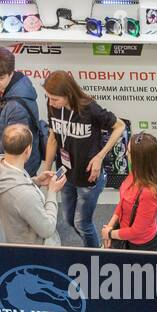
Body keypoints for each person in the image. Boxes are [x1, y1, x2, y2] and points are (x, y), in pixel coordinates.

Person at [42, 70, 124, 247]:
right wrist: (47, 169)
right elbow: (52, 138)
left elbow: (120, 126)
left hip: (88, 178)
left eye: (55, 98)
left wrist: (100, 157)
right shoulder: (53, 107)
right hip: (65, 174)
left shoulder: (89, 108)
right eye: (48, 97)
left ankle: (93, 253)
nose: (50, 102)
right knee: (68, 219)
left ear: (68, 94)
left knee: (82, 223)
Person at [0, 124, 65, 246]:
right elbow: (47, 229)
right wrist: (52, 192)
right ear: (28, 150)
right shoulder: (24, 195)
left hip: (15, 238)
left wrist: (36, 181)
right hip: (36, 251)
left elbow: (13, 186)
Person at [101, 132, 157, 251]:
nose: (125, 154)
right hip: (124, 233)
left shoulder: (150, 192)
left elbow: (137, 231)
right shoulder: (135, 173)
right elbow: (123, 201)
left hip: (141, 244)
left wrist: (109, 234)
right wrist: (110, 226)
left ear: (139, 159)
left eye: (129, 152)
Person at [0, 46, 42, 175]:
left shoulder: (16, 108)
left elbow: (13, 144)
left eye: (0, 78)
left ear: (11, 73)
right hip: (7, 154)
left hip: (22, 165)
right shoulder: (3, 87)